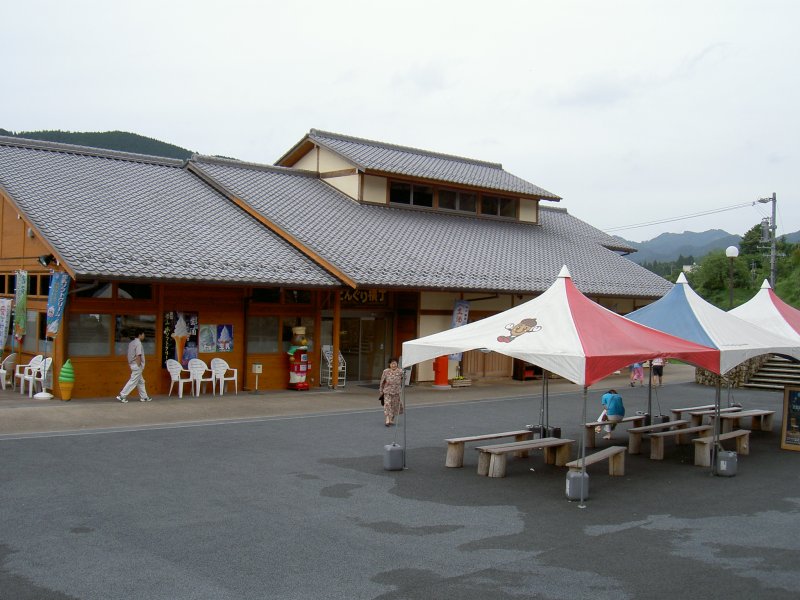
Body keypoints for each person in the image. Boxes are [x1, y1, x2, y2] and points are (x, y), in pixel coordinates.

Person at [116, 329, 152, 403]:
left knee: (141, 381)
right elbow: (138, 354)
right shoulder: (138, 343)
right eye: (143, 334)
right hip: (137, 365)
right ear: (140, 334)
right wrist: (138, 365)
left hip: (132, 364)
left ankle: (144, 397)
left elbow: (129, 354)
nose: (144, 336)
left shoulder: (131, 343)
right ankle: (122, 395)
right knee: (133, 381)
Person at [379, 358, 404, 427]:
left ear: (397, 364)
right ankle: (387, 419)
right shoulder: (386, 371)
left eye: (395, 363)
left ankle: (392, 418)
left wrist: (404, 375)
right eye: (392, 364)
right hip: (387, 391)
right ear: (389, 364)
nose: (393, 365)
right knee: (387, 404)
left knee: (394, 406)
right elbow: (382, 381)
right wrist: (381, 391)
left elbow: (404, 379)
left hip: (396, 392)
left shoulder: (400, 371)